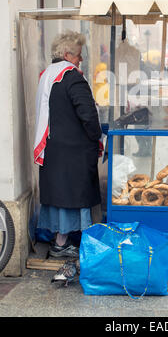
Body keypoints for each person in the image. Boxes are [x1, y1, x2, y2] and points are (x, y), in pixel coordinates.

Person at [34, 30, 102, 258]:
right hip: (73, 152)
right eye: (78, 55)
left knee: (59, 199)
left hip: (53, 149)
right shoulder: (71, 77)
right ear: (66, 54)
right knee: (72, 198)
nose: (80, 59)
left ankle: (59, 241)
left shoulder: (47, 75)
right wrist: (96, 137)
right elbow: (88, 115)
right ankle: (68, 245)